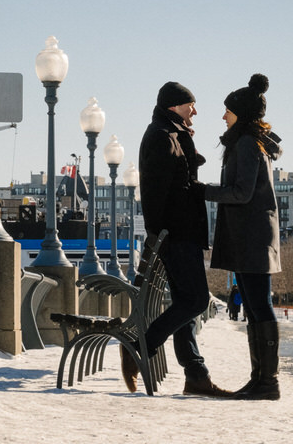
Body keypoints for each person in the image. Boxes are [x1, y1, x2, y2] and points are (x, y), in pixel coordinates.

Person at [124, 81, 231, 397]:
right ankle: (139, 346)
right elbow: (159, 195)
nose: (195, 111)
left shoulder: (168, 134)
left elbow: (176, 177)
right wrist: (163, 235)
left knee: (186, 304)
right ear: (174, 106)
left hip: (180, 234)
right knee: (196, 300)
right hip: (178, 234)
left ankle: (195, 374)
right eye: (190, 105)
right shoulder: (161, 136)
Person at [202, 73, 282, 401]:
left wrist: (202, 191)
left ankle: (268, 382)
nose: (223, 116)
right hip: (250, 236)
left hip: (252, 237)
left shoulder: (248, 144)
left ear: (242, 114)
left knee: (260, 306)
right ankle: (259, 379)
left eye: (228, 111)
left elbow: (242, 192)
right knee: (253, 306)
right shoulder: (247, 142)